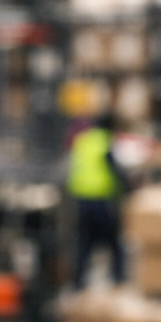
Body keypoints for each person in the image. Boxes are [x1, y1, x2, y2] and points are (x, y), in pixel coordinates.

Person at [67, 113, 126, 289]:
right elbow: (114, 169)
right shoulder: (104, 142)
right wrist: (127, 186)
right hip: (99, 201)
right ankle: (118, 277)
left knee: (84, 244)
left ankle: (78, 282)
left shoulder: (83, 141)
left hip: (81, 201)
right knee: (114, 242)